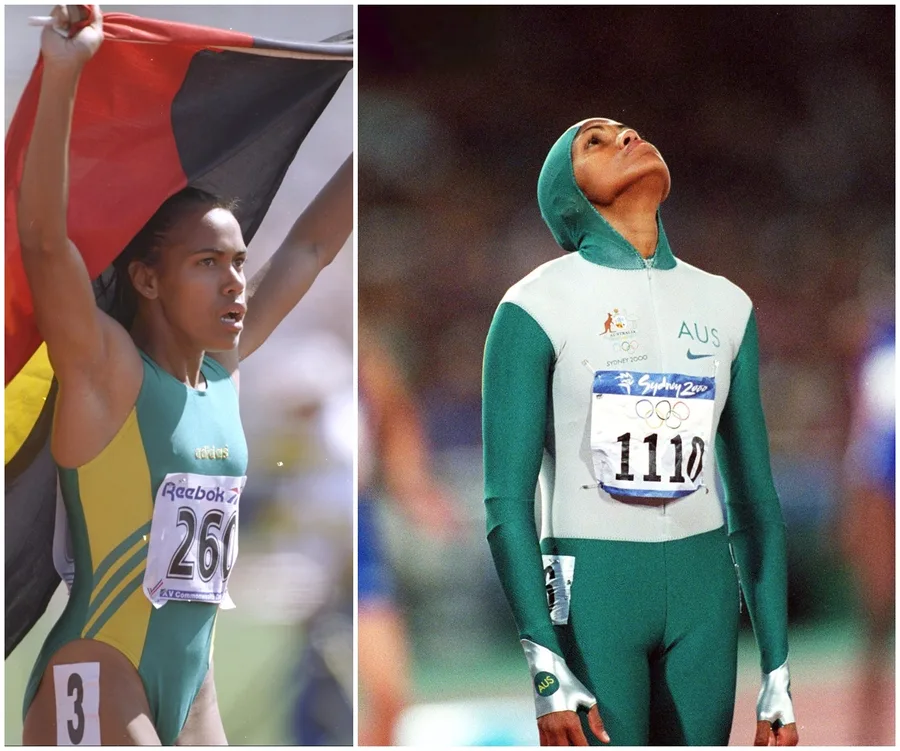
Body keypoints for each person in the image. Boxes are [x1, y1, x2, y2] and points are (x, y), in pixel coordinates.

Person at [17, 6, 352, 745]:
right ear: (145, 278)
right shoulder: (106, 372)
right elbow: (42, 241)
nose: (235, 282)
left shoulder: (222, 372)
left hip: (195, 681)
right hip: (100, 671)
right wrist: (64, 72)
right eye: (208, 264)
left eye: (237, 263)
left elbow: (309, 248)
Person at [482, 117, 799, 746]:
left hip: (704, 595)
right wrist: (545, 664)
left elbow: (756, 504)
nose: (626, 136)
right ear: (565, 194)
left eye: (627, 129)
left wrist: (778, 668)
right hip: (594, 591)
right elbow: (504, 506)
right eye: (594, 141)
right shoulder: (533, 306)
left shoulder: (727, 306)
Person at [356, 328, 459, 746]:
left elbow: (398, 433)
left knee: (390, 695)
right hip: (318, 536)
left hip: (362, 542)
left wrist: (420, 495)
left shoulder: (370, 368)